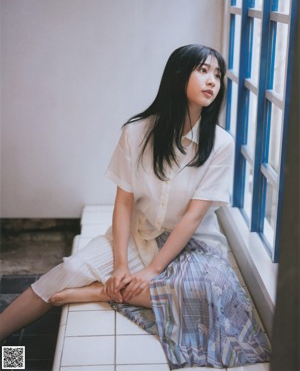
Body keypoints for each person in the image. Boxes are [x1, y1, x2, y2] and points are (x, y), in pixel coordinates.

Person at [0, 44, 271, 368]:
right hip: (139, 234)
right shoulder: (136, 132)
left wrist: (152, 270)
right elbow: (124, 203)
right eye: (203, 70)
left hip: (192, 244)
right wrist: (120, 267)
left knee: (211, 292)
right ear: (178, 74)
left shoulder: (221, 144)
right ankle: (6, 350)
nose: (213, 81)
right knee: (68, 271)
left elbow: (192, 218)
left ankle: (100, 293)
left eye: (217, 75)